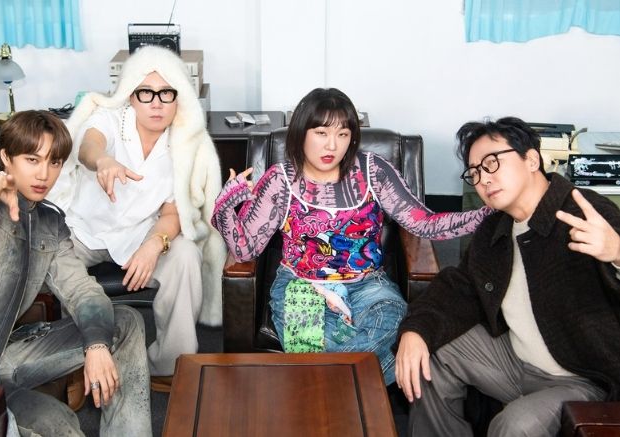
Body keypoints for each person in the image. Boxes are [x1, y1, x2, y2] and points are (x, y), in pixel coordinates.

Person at [211, 88, 490, 385]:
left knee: (393, 327)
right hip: (302, 285)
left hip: (369, 285)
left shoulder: (373, 171)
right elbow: (244, 250)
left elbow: (423, 223)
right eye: (321, 133)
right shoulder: (280, 180)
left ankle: (322, 384)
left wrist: (486, 214)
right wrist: (226, 205)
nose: (332, 145)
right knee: (337, 346)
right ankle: (352, 389)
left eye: (343, 134)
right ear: (301, 133)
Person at [395, 116, 620, 437]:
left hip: (583, 378)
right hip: (515, 360)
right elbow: (459, 287)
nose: (483, 179)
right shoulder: (495, 227)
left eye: (492, 163)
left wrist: (616, 251)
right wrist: (416, 330)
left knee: (513, 425)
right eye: (474, 172)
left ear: (531, 159)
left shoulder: (585, 212)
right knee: (426, 357)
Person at [0, 110, 152, 436]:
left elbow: (81, 290)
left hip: (1, 359)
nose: (44, 174)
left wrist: (97, 345)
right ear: (6, 158)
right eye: (32, 159)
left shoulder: (50, 224)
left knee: (124, 322)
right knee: (59, 425)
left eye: (54, 162)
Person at [47, 45, 225, 391]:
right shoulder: (110, 119)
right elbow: (88, 146)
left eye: (166, 93)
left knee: (185, 254)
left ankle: (169, 366)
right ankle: (73, 365)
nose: (156, 103)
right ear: (131, 95)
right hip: (84, 230)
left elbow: (174, 211)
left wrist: (155, 245)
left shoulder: (185, 143)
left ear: (178, 97)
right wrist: (103, 161)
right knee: (49, 264)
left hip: (139, 233)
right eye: (146, 93)